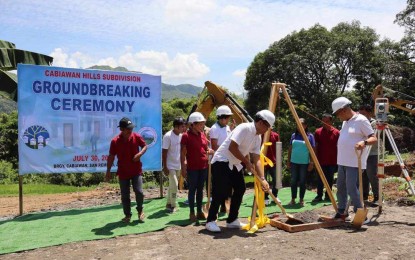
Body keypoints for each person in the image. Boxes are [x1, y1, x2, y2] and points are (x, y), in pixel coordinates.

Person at [205, 110, 273, 233]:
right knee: (220, 191)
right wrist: (246, 162)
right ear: (261, 123)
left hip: (235, 163)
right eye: (267, 127)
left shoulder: (257, 138)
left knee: (240, 188)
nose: (267, 130)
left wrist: (263, 178)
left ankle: (232, 220)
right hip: (222, 160)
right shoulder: (244, 128)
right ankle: (210, 221)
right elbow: (232, 147)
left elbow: (256, 158)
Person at [331, 97, 377, 221]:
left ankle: (361, 213)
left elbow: (373, 138)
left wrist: (364, 142)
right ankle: (342, 212)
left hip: (354, 162)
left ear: (344, 110)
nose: (337, 116)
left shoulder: (361, 120)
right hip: (342, 161)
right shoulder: (345, 122)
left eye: (337, 114)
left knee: (351, 188)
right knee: (340, 187)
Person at [105, 117, 148, 223]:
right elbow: (111, 156)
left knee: (139, 191)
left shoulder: (136, 136)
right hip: (123, 172)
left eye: (131, 128)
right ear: (122, 130)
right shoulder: (115, 141)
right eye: (128, 129)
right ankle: (127, 215)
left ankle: (140, 210)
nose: (130, 131)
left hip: (136, 171)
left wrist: (140, 154)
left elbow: (144, 146)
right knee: (125, 195)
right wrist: (108, 171)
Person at [181, 112, 213, 222]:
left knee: (200, 190)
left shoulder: (202, 135)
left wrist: (208, 151)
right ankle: (191, 212)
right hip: (192, 168)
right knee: (192, 189)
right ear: (192, 124)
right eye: (199, 124)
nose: (202, 126)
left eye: (202, 124)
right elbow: (183, 153)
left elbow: (205, 148)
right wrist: (183, 168)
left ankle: (199, 211)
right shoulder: (186, 136)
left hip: (203, 166)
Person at [209, 105, 234, 213]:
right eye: (227, 117)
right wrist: (227, 150)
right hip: (218, 160)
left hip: (227, 159)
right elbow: (214, 146)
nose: (228, 120)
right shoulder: (214, 129)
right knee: (218, 184)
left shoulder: (227, 127)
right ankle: (217, 206)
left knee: (227, 184)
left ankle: (224, 204)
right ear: (222, 117)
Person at [287, 118, 315, 207]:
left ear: (305, 126)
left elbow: (312, 151)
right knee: (293, 181)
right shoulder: (293, 136)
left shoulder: (310, 136)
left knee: (302, 181)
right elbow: (290, 149)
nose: (300, 126)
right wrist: (288, 161)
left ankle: (301, 199)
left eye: (302, 124)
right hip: (294, 162)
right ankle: (293, 199)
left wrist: (311, 162)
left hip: (304, 163)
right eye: (298, 124)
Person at [313, 113, 339, 202]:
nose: (324, 123)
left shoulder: (336, 132)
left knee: (330, 179)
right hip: (321, 160)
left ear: (331, 121)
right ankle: (319, 195)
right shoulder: (318, 132)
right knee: (320, 178)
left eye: (327, 121)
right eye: (323, 121)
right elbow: (315, 146)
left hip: (332, 160)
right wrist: (314, 159)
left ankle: (328, 195)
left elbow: (339, 147)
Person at [162, 116, 186, 213]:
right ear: (176, 127)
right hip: (169, 165)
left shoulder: (181, 135)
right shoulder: (168, 136)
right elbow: (164, 152)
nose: (183, 128)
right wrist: (165, 166)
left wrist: (183, 163)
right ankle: (173, 205)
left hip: (178, 164)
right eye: (181, 127)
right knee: (175, 185)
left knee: (172, 185)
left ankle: (168, 203)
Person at [358, 104, 379, 203]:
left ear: (369, 113)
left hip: (372, 153)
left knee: (372, 175)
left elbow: (373, 137)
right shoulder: (359, 123)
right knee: (363, 176)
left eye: (364, 114)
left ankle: (377, 196)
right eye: (360, 113)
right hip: (362, 152)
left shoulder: (374, 123)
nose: (361, 116)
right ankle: (364, 196)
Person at [262, 130, 281, 205]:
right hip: (263, 161)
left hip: (273, 161)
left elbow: (278, 148)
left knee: (276, 179)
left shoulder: (275, 135)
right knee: (264, 180)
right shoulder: (261, 134)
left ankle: (275, 196)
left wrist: (278, 159)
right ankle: (265, 197)